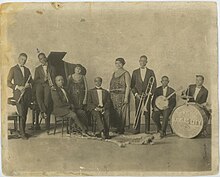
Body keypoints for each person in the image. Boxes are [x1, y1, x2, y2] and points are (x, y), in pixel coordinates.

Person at [7, 53, 33, 140]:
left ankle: (23, 131)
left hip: (26, 95)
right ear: (18, 59)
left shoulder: (27, 70)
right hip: (18, 95)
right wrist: (18, 87)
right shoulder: (13, 69)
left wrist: (29, 85)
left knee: (24, 114)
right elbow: (8, 82)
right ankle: (22, 133)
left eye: (25, 60)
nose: (23, 61)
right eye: (22, 59)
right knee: (21, 114)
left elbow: (31, 81)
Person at [131, 55, 157, 134]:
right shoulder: (135, 72)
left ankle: (147, 129)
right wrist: (136, 94)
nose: (142, 62)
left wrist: (150, 93)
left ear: (146, 62)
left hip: (147, 95)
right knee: (137, 111)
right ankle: (137, 129)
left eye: (144, 61)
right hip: (138, 96)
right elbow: (132, 85)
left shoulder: (151, 72)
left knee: (147, 112)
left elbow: (154, 84)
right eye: (141, 61)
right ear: (139, 61)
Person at [34, 53, 56, 133]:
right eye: (40, 59)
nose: (42, 60)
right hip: (40, 85)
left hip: (48, 85)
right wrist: (43, 79)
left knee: (47, 100)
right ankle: (43, 111)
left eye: (43, 58)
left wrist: (49, 80)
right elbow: (35, 80)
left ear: (46, 58)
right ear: (39, 60)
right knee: (38, 95)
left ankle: (45, 116)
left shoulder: (52, 68)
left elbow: (54, 79)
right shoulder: (37, 69)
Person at [110, 58, 131, 134]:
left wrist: (126, 97)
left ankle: (121, 129)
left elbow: (128, 86)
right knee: (116, 112)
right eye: (116, 63)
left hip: (122, 95)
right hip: (114, 96)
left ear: (123, 64)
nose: (118, 65)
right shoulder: (114, 73)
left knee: (122, 112)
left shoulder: (126, 73)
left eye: (119, 63)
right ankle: (117, 127)